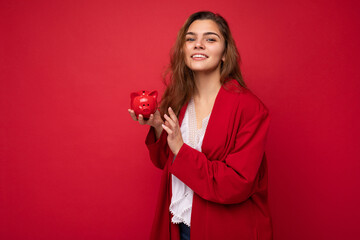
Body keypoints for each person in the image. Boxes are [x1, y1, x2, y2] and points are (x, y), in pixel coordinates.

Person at [128, 11, 272, 240]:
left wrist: (180, 149)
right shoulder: (177, 99)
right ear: (183, 50)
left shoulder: (250, 108)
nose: (199, 45)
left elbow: (237, 183)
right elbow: (167, 162)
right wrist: (158, 127)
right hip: (180, 227)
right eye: (191, 39)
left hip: (226, 230)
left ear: (225, 53)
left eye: (210, 39)